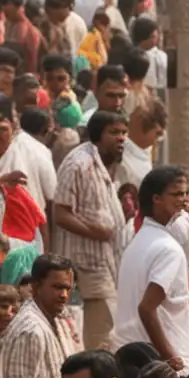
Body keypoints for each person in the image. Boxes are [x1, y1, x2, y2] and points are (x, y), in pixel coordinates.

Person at [48, 110, 124, 349]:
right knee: (99, 336)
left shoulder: (102, 164)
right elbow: (60, 214)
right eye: (114, 132)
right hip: (85, 265)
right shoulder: (79, 164)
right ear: (97, 135)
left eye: (123, 133)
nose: (121, 138)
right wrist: (95, 232)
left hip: (104, 263)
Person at [113, 166, 189, 373]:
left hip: (135, 358)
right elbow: (146, 307)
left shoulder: (139, 242)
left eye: (185, 194)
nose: (183, 200)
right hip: (161, 366)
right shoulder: (168, 249)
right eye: (176, 194)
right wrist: (170, 358)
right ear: (156, 199)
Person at [0, 255, 75, 378]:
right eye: (57, 287)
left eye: (67, 289)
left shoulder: (55, 319)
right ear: (36, 287)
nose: (64, 295)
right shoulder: (30, 330)